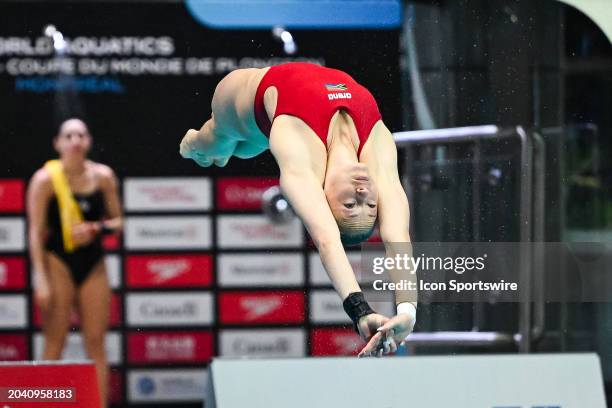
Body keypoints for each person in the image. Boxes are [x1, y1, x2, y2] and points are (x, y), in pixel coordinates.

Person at [180, 62, 416, 356]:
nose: (362, 192)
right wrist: (408, 311)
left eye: (349, 204)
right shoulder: (376, 150)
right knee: (242, 149)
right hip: (273, 124)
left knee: (215, 141)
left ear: (321, 197)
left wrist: (360, 311)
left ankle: (197, 147)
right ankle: (230, 151)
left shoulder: (303, 165)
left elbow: (327, 240)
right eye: (370, 204)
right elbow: (397, 236)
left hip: (246, 112)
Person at [27, 118, 122, 406]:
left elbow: (118, 223)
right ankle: (42, 403)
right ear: (58, 143)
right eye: (68, 135)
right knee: (55, 342)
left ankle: (99, 403)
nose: (75, 140)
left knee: (96, 343)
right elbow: (34, 232)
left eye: (81, 134)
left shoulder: (103, 176)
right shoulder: (44, 180)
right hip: (58, 263)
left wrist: (96, 229)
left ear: (89, 141)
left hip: (93, 264)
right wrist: (40, 279)